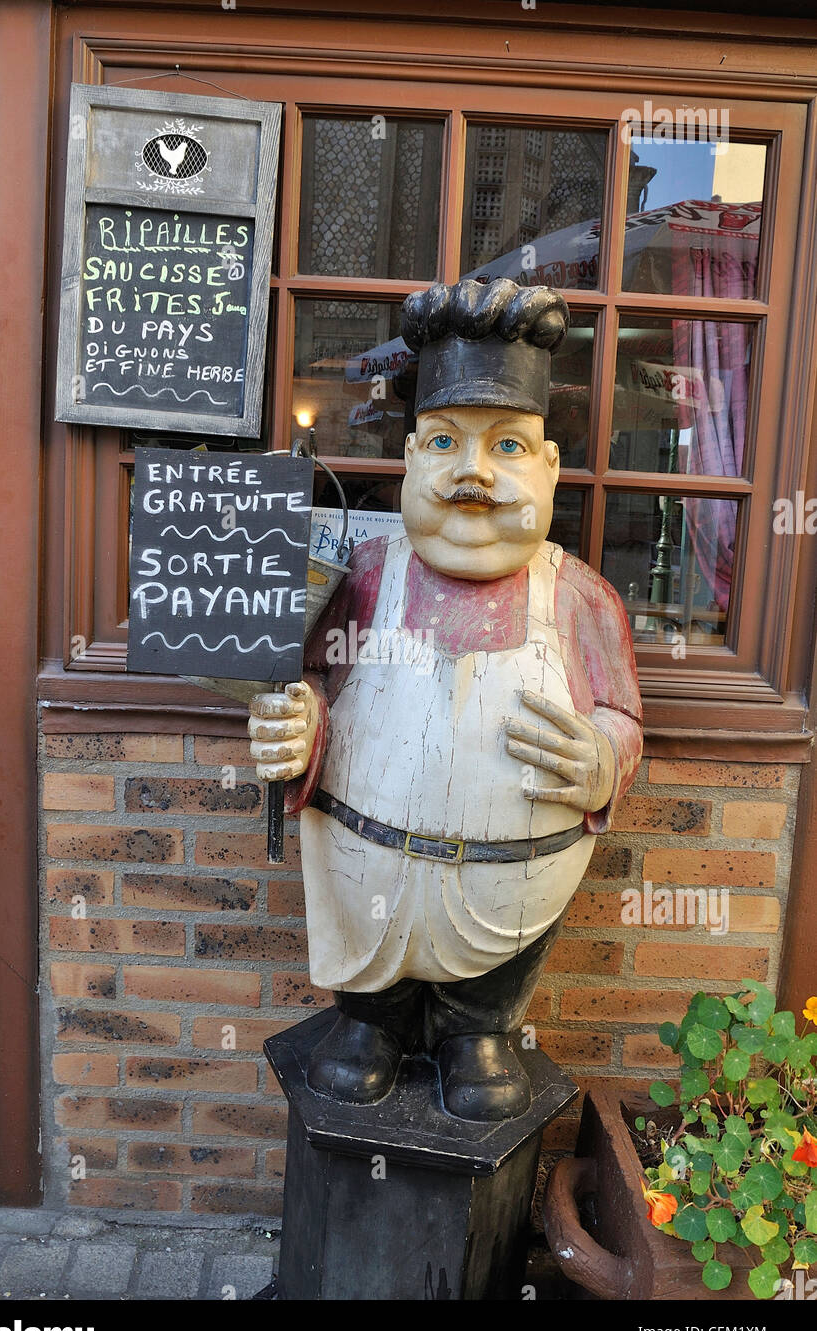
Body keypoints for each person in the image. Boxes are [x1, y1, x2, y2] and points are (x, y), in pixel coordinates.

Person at [249, 278, 642, 1121]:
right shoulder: (364, 577)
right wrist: (300, 724)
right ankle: (373, 1025)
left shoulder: (581, 600)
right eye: (442, 443)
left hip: (512, 881)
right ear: (409, 460)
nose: (471, 473)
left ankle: (478, 1033)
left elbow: (621, 715)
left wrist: (602, 757)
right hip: (366, 867)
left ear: (550, 467)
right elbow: (316, 679)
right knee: (368, 990)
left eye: (506, 447)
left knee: (490, 995)